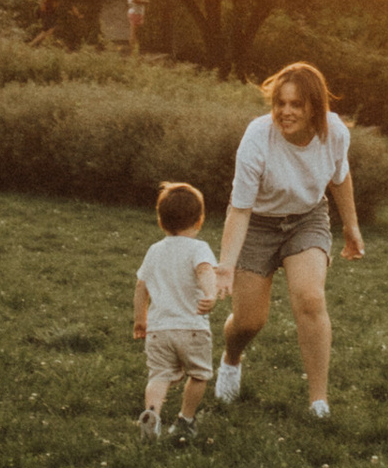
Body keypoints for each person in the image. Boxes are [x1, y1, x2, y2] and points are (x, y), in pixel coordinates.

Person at [213, 63, 364, 423]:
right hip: (258, 224)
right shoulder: (257, 136)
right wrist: (225, 267)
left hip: (306, 218)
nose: (286, 112)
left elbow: (340, 178)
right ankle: (231, 361)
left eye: (296, 104)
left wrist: (351, 227)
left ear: (315, 106)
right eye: (281, 103)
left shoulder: (335, 133)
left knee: (310, 298)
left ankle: (318, 402)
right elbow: (240, 208)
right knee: (249, 321)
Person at [133, 181, 221, 445]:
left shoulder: (154, 251)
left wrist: (140, 320)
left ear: (161, 220)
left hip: (159, 330)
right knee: (199, 374)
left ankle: (152, 412)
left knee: (159, 376)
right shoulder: (198, 248)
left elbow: (141, 287)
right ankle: (186, 418)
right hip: (192, 327)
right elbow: (205, 271)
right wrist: (210, 294)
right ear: (199, 220)